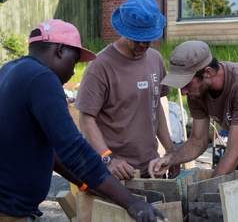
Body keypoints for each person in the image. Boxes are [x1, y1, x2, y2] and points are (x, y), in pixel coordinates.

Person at [0, 19, 168, 222]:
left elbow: (55, 153)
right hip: (9, 211)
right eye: (74, 60)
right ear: (61, 50)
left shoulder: (10, 70)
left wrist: (89, 183)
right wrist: (131, 202)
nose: (73, 71)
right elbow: (75, 150)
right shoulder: (43, 79)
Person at [148, 40, 238, 191]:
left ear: (207, 72)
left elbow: (234, 152)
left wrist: (203, 195)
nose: (183, 92)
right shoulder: (196, 92)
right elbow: (198, 141)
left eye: (187, 84)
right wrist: (170, 159)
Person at [74, 0, 180, 180]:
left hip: (151, 167)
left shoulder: (155, 59)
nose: (142, 44)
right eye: (136, 37)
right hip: (114, 172)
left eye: (148, 38)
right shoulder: (100, 66)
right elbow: (86, 119)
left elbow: (157, 108)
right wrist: (108, 159)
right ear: (123, 29)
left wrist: (171, 152)